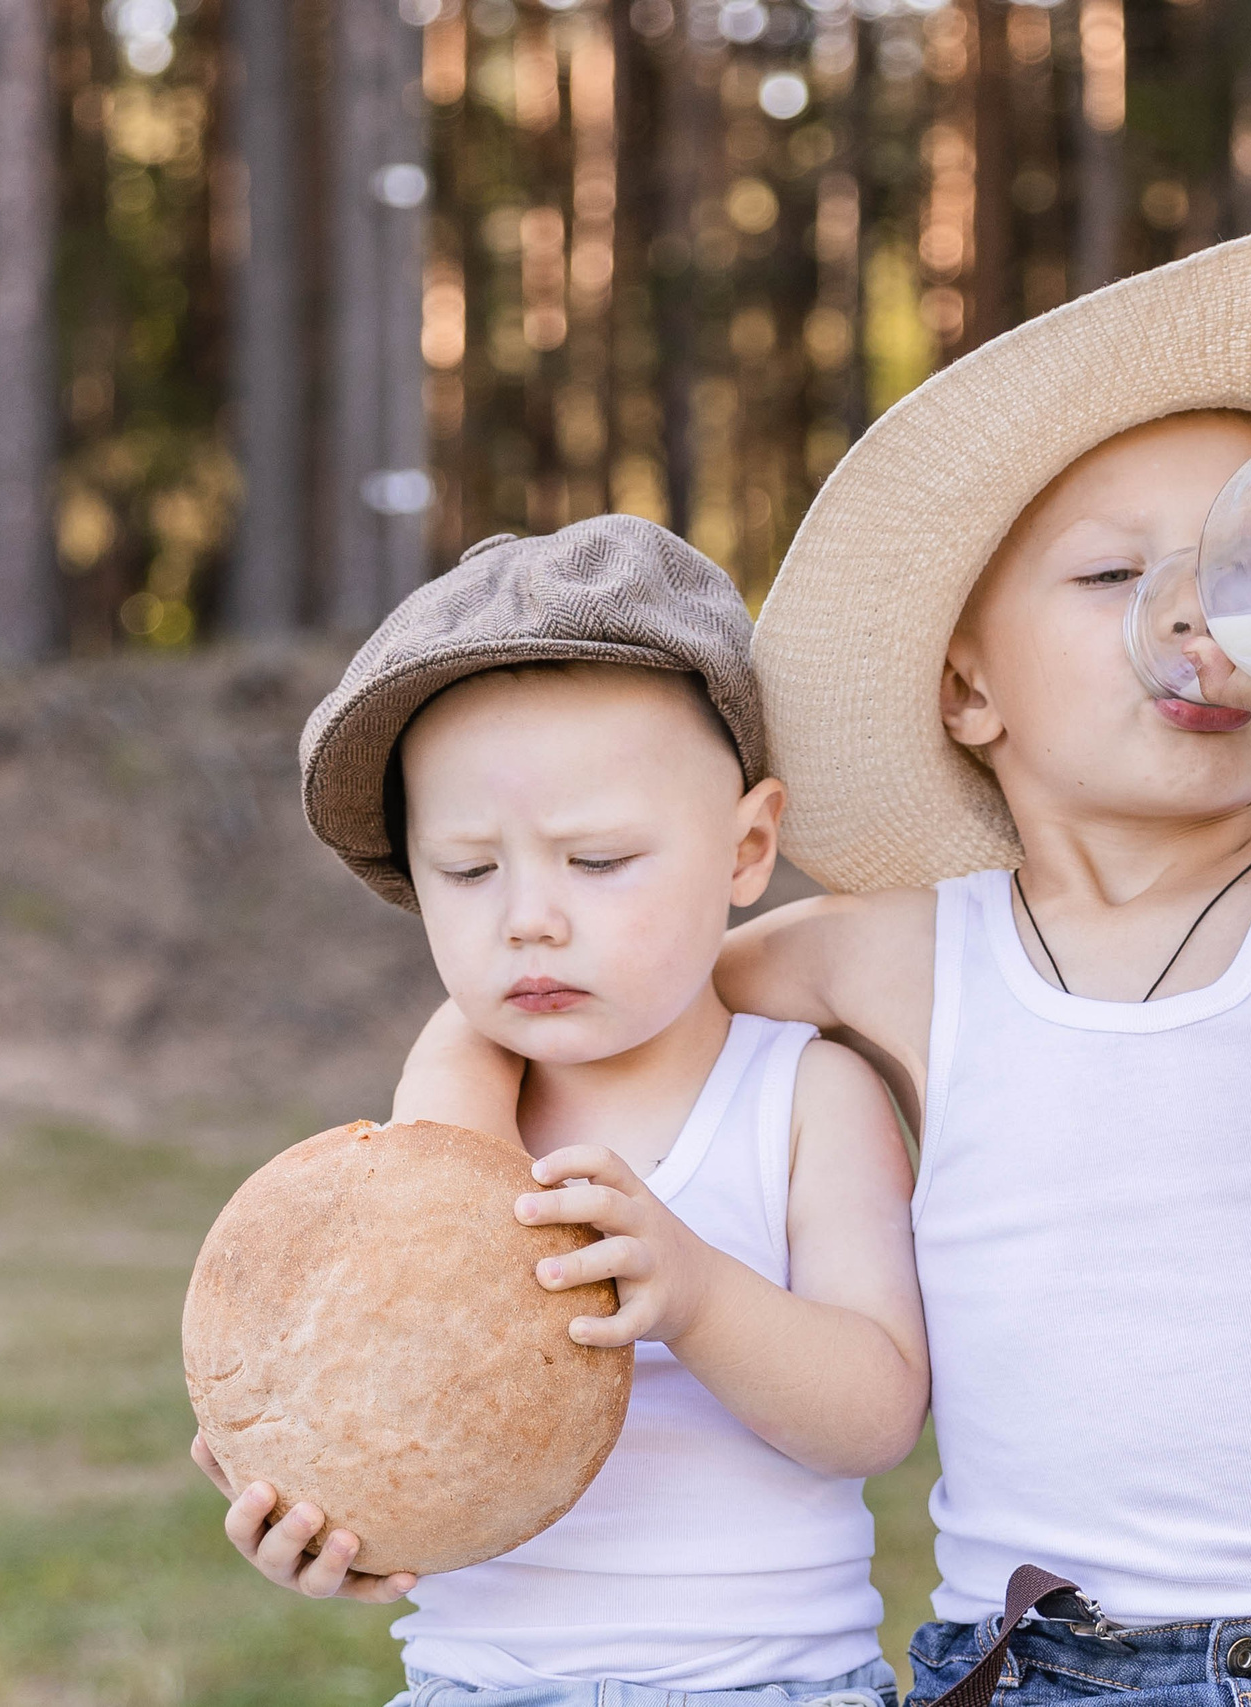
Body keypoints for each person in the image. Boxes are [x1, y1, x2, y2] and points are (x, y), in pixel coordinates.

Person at [400, 221, 1251, 1706]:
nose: (1199, 615)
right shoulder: (904, 956)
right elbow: (563, 995)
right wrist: (449, 1166)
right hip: (1025, 1657)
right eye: (1118, 569)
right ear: (968, 686)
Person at [191, 517, 929, 1707]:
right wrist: (331, 1507)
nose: (528, 916)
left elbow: (876, 1411)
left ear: (746, 849)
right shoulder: (437, 1142)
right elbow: (406, 1413)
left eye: (596, 861)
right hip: (478, 1686)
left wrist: (694, 1294)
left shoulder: (799, 1094)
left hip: (767, 1688)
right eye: (470, 870)